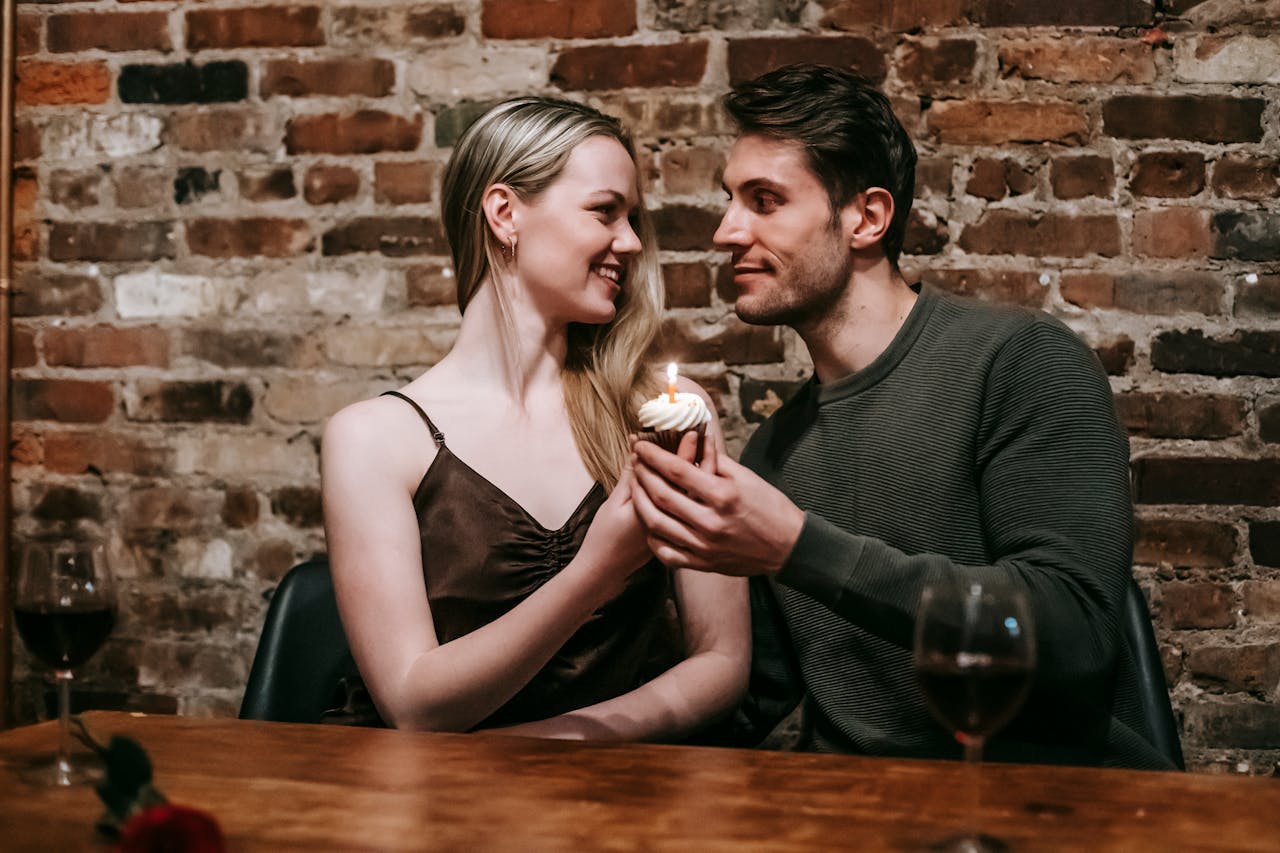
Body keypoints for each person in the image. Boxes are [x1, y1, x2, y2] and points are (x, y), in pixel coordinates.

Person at [629, 63, 1172, 768]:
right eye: (730, 199)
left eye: (764, 201)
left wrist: (797, 546)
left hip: (1045, 808)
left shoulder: (1021, 362)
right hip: (855, 812)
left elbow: (1073, 631)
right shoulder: (772, 451)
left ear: (867, 217)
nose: (726, 231)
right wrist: (561, 731)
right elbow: (751, 698)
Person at [321, 97, 749, 739]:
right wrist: (597, 569)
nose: (630, 242)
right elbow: (412, 704)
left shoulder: (666, 413)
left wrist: (558, 742)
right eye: (605, 211)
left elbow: (723, 660)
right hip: (433, 802)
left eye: (632, 218)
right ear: (504, 213)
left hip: (616, 789)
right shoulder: (374, 439)